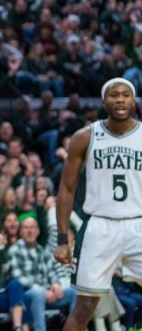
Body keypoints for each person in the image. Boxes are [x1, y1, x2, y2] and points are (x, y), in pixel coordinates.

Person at [55, 77, 142, 331]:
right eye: (114, 95)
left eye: (125, 94)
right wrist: (62, 240)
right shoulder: (85, 136)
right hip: (99, 227)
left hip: (138, 224)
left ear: (133, 100)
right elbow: (66, 189)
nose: (120, 99)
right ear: (104, 101)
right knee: (84, 307)